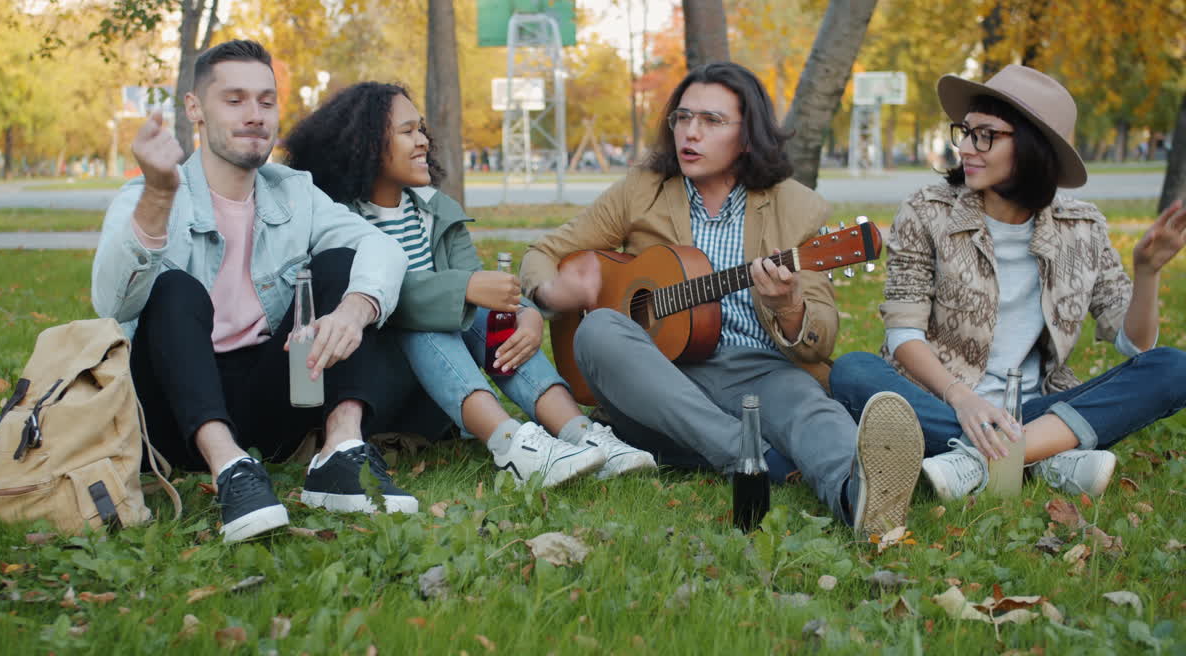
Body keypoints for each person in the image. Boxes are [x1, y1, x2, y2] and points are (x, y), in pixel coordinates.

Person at [519, 62, 925, 536]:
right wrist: (550, 291)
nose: (690, 133)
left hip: (758, 373)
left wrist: (788, 308)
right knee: (597, 330)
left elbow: (819, 341)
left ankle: (858, 498)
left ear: (748, 136)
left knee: (809, 408)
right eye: (683, 118)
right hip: (656, 379)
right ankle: (750, 456)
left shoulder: (798, 207)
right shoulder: (642, 190)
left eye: (711, 121)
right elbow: (543, 252)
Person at [92, 40, 418, 543]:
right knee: (173, 289)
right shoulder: (148, 196)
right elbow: (111, 304)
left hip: (272, 397)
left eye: (266, 102)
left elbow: (383, 249)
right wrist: (158, 196)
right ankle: (230, 471)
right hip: (173, 410)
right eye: (235, 99)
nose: (255, 115)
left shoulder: (294, 191)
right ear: (195, 109)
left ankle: (341, 453)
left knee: (344, 265)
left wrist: (355, 310)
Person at [830, 65, 1186, 500]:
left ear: (1035, 146)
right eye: (965, 132)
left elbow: (1136, 346)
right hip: (940, 401)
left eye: (985, 135)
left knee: (1173, 367)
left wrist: (1147, 271)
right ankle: (1051, 455)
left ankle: (978, 461)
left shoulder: (1082, 227)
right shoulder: (928, 211)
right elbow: (903, 332)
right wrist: (963, 399)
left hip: (1033, 408)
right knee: (853, 370)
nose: (964, 147)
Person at [285, 82, 657, 487]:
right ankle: (511, 445)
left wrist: (527, 317)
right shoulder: (338, 218)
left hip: (439, 391)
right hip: (370, 387)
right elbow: (383, 301)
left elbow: (485, 290)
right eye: (407, 132)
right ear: (367, 143)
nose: (423, 141)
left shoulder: (437, 211)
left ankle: (582, 435)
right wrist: (463, 289)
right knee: (426, 318)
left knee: (489, 316)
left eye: (421, 129)